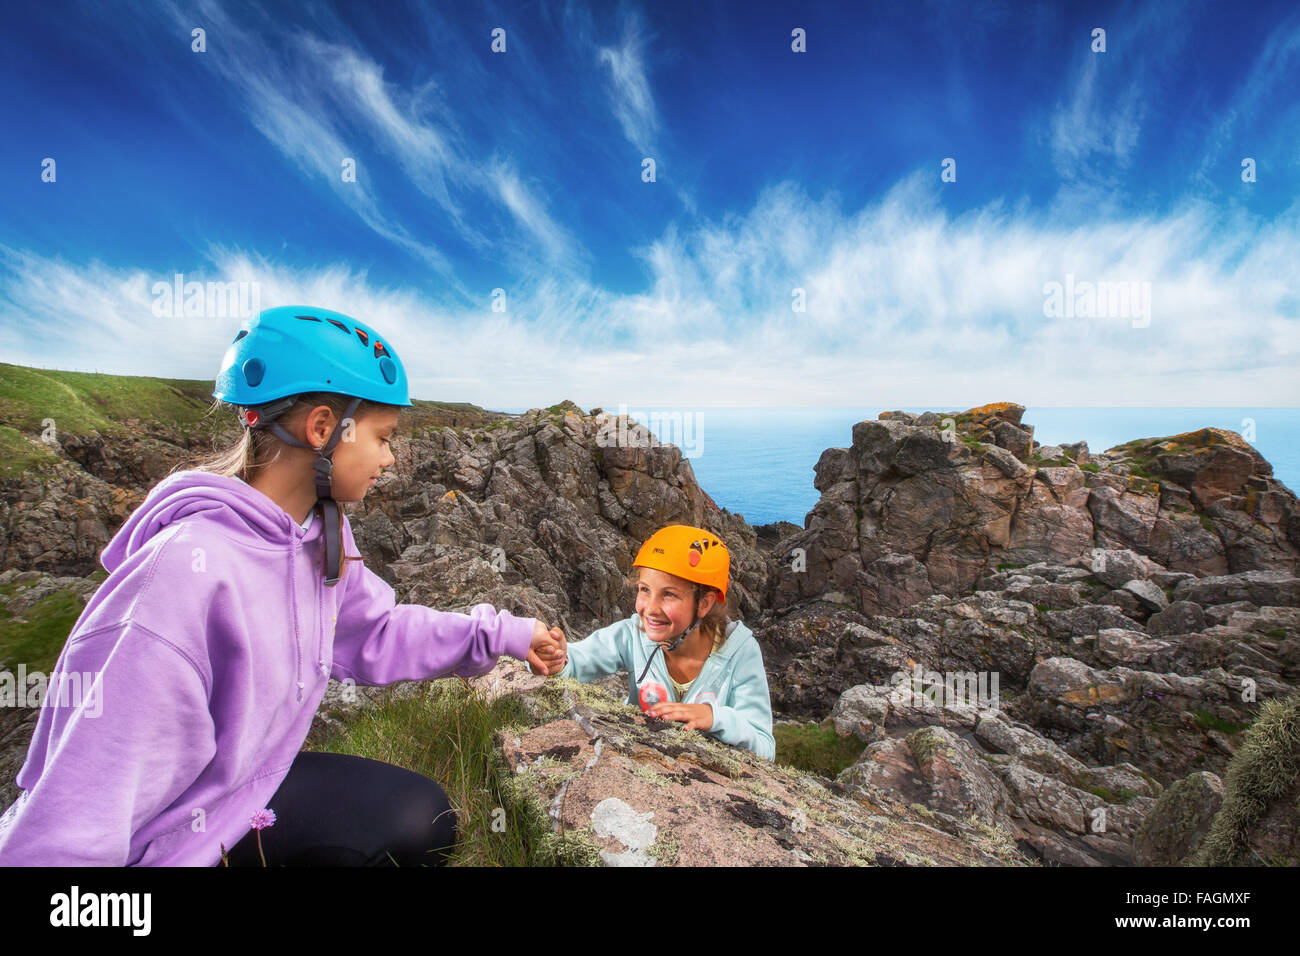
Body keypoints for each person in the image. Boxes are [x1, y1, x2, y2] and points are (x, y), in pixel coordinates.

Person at [0, 305, 567, 866]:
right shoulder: (179, 577)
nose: (391, 458)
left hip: (242, 794)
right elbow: (72, 818)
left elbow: (377, 632)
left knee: (424, 818)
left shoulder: (320, 535)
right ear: (323, 428)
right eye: (383, 437)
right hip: (162, 843)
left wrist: (505, 636)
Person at [556, 525, 775, 760]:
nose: (650, 609)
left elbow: (764, 745)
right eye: (644, 590)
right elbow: (577, 660)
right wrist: (555, 658)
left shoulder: (740, 652)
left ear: (704, 604)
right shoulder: (632, 635)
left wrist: (713, 717)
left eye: (668, 594)